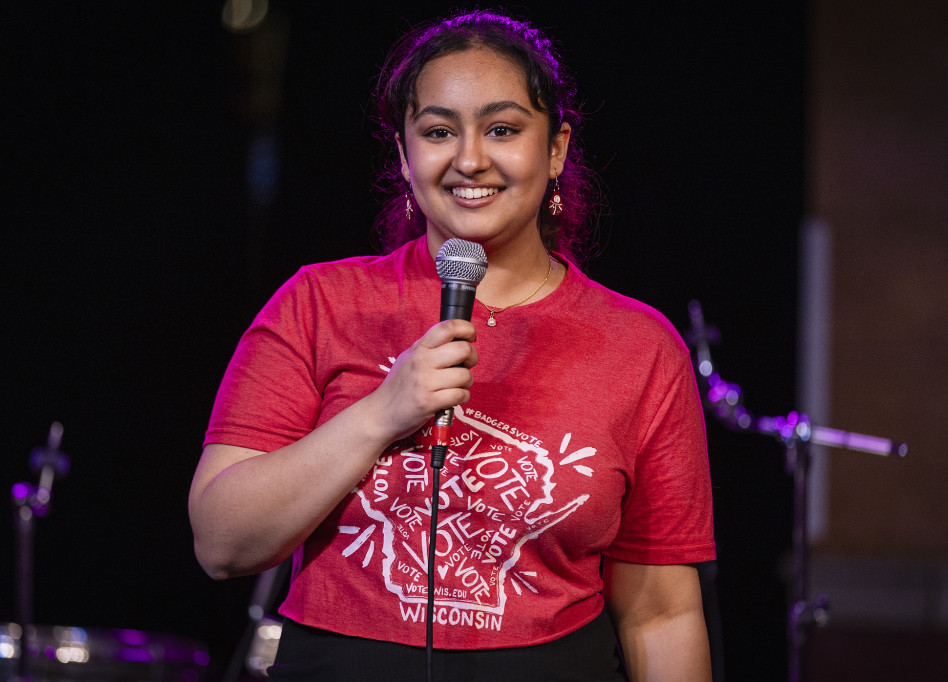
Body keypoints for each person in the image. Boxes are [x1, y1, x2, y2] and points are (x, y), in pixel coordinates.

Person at [189, 10, 715, 681]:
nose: (469, 158)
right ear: (406, 157)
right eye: (439, 131)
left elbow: (661, 615)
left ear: (554, 149)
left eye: (502, 129)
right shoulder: (319, 304)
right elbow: (221, 542)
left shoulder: (641, 348)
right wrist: (383, 411)